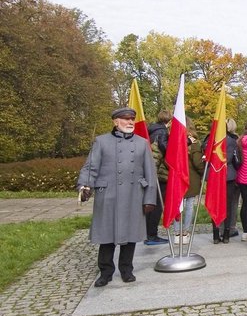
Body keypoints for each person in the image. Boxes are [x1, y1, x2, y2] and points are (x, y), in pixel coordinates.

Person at [77, 107, 157, 287]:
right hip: (109, 195)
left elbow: (150, 172)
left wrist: (150, 198)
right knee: (107, 236)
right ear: (115, 122)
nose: (130, 122)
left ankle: (126, 269)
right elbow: (91, 168)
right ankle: (105, 272)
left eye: (132, 119)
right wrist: (84, 186)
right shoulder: (101, 142)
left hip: (134, 195)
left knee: (130, 235)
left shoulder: (142, 143)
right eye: (126, 119)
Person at [208, 119, 242, 243]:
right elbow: (237, 160)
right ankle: (226, 235)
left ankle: (216, 235)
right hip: (228, 176)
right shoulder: (232, 141)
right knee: (227, 205)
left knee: (214, 205)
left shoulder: (208, 140)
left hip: (213, 176)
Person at [143, 110, 171, 245]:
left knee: (150, 202)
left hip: (149, 171)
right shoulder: (162, 132)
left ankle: (147, 233)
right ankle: (152, 235)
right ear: (169, 120)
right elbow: (166, 149)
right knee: (157, 204)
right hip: (158, 172)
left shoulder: (151, 130)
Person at [176, 122, 205, 242]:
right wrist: (203, 171)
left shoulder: (175, 140)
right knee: (189, 206)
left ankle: (177, 234)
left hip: (178, 176)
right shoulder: (194, 143)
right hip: (191, 177)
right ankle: (185, 232)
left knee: (178, 206)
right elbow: (198, 162)